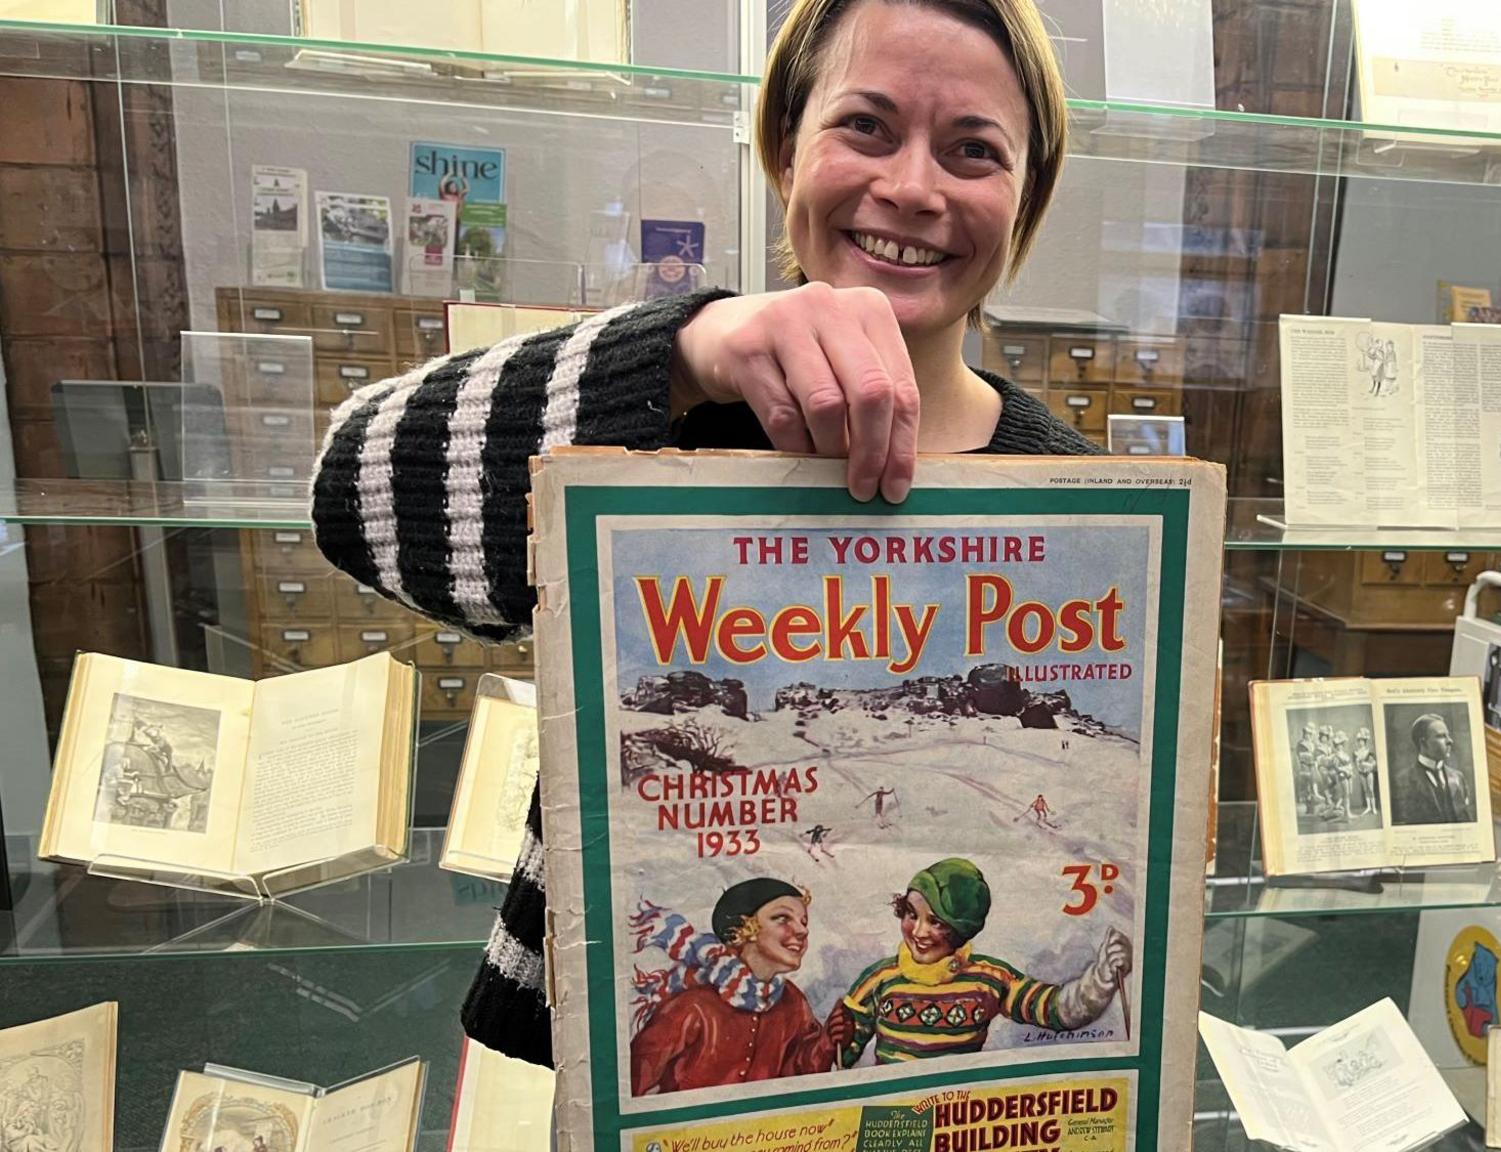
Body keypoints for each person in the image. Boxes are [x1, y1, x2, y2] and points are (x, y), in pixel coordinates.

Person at [309, 0, 1091, 1068]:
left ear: (1026, 199)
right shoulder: (670, 417)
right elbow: (352, 496)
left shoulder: (1077, 494)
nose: (913, 186)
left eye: (973, 150)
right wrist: (685, 348)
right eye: (863, 125)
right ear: (783, 146)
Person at [834, 858, 1130, 1065]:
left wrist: (1101, 979)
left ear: (962, 928)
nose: (919, 932)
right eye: (912, 914)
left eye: (936, 922)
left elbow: (1055, 1009)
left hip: (960, 1116)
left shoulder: (988, 977)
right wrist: (836, 1038)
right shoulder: (880, 978)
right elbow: (839, 1058)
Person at [627, 879, 846, 1094]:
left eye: (803, 922)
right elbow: (635, 1084)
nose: (802, 931)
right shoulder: (694, 1005)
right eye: (782, 918)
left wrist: (828, 1040)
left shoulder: (792, 1001)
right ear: (744, 929)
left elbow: (801, 1074)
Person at [1387, 713, 1475, 826]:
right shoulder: (1400, 782)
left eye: (1448, 735)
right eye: (1441, 736)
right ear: (1423, 743)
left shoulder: (1458, 778)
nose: (1450, 741)